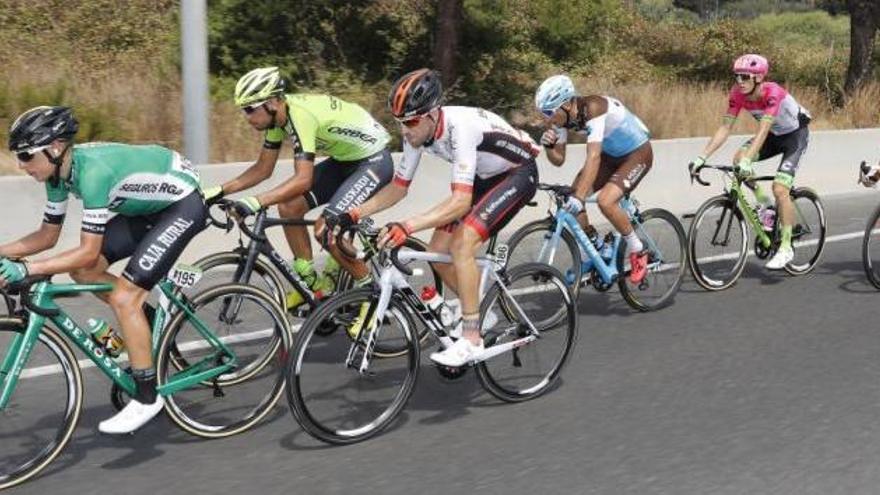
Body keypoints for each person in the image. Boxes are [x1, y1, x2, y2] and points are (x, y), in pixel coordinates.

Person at [0, 106, 206, 434]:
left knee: (125, 297)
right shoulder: (57, 174)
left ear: (54, 148)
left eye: (26, 156)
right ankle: (147, 320)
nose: (21, 165)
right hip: (145, 209)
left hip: (182, 206)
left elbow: (86, 250)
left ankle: (148, 396)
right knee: (85, 273)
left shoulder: (92, 174)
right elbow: (47, 236)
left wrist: (28, 268)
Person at [327, 68, 539, 368]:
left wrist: (407, 225)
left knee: (462, 245)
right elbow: (398, 188)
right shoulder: (416, 135)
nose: (405, 130)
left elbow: (461, 200)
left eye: (411, 121)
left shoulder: (461, 129)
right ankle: (480, 310)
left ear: (432, 114)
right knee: (437, 254)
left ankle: (471, 337)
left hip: (517, 174)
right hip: (485, 176)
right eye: (399, 122)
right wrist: (353, 213)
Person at [203, 67, 394, 307]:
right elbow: (263, 169)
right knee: (289, 206)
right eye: (244, 110)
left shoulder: (299, 116)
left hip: (373, 162)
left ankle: (372, 297)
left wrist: (255, 202)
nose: (247, 116)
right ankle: (312, 283)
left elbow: (302, 180)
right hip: (345, 160)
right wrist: (220, 190)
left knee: (326, 230)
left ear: (272, 102)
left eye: (250, 109)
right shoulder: (277, 120)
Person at [689, 54, 812, 270]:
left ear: (759, 77)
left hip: (795, 137)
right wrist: (702, 156)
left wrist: (748, 161)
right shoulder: (738, 93)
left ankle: (786, 247)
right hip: (773, 136)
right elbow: (725, 127)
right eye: (737, 76)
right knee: (738, 158)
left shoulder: (772, 93)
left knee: (780, 189)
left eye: (745, 77)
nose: (740, 81)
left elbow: (762, 129)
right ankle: (765, 205)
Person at [535, 75, 653, 283]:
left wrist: (580, 197)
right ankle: (599, 248)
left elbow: (593, 156)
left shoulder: (594, 108)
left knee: (605, 201)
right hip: (610, 156)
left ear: (565, 104)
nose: (546, 119)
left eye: (548, 112)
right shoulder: (560, 121)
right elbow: (558, 160)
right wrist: (550, 147)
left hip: (636, 154)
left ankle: (639, 250)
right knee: (570, 199)